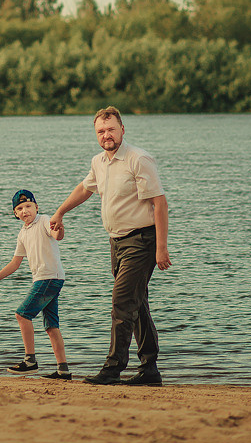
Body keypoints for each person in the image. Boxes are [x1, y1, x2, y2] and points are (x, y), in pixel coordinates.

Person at [51, 106, 171, 387]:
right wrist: (60, 212)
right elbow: (85, 188)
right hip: (117, 242)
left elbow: (159, 203)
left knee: (121, 302)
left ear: (122, 130)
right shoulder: (99, 162)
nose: (107, 135)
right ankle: (150, 370)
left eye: (111, 129)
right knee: (136, 303)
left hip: (142, 240)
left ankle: (113, 368)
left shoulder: (138, 159)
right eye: (101, 131)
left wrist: (161, 247)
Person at [0, 189, 72, 380]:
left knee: (22, 314)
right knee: (51, 326)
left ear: (36, 207)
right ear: (15, 214)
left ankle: (30, 361)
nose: (25, 211)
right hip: (46, 279)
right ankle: (63, 370)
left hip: (49, 277)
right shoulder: (23, 233)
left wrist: (60, 227)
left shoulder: (44, 221)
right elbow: (15, 263)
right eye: (20, 208)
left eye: (28, 206)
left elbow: (57, 236)